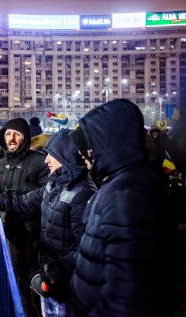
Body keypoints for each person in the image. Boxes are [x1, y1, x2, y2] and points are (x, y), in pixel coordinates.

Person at [0, 129, 97, 317]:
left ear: (66, 157)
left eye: (52, 155)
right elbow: (22, 201)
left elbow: (88, 250)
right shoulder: (54, 184)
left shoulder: (83, 195)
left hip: (68, 289)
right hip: (50, 278)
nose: (46, 160)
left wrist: (54, 273)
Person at [68, 99, 176, 316]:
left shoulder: (126, 196)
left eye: (88, 144)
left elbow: (128, 299)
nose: (83, 154)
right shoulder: (120, 184)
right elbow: (104, 249)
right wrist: (62, 268)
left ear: (106, 143)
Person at [0, 118, 49, 317]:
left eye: (17, 134)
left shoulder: (39, 161)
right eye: (9, 133)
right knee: (19, 282)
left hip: (36, 236)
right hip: (14, 234)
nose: (12, 138)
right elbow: (3, 190)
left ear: (25, 138)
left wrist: (6, 199)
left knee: (37, 284)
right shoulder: (1, 164)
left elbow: (45, 195)